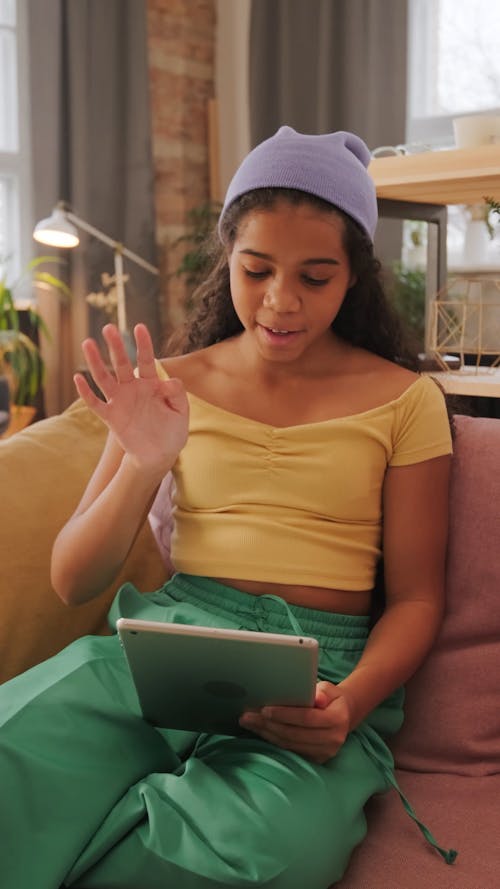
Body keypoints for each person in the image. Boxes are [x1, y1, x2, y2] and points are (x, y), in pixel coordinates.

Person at [0, 127, 457, 889]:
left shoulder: (407, 401)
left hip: (320, 676)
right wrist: (143, 463)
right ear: (229, 262)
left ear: (354, 278)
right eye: (257, 270)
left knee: (265, 854)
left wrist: (348, 706)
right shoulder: (168, 383)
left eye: (316, 277)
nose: (280, 302)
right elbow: (72, 581)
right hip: (166, 647)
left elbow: (416, 598)